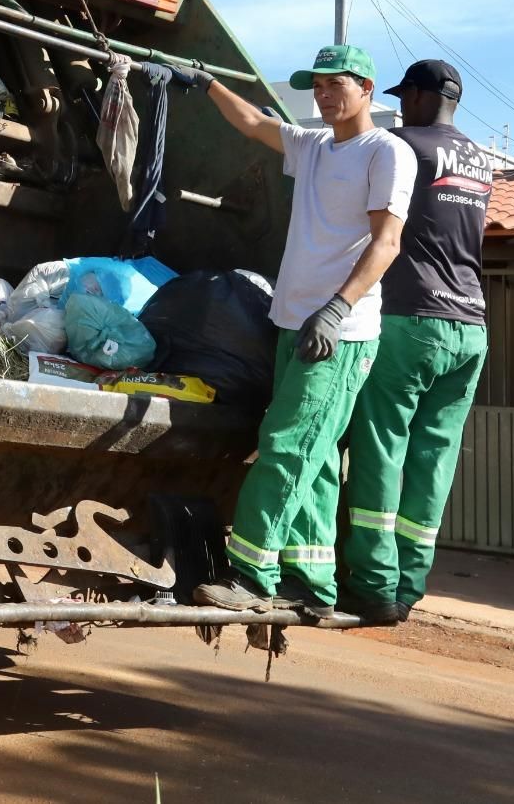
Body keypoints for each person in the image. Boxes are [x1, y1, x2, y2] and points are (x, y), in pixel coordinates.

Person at [173, 46, 416, 619]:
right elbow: (256, 122)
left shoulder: (387, 152)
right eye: (318, 87)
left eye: (337, 85)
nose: (325, 96)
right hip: (293, 323)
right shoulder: (312, 146)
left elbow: (387, 242)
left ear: (367, 89)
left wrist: (336, 309)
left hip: (339, 330)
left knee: (285, 447)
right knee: (317, 457)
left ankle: (252, 577)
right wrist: (205, 80)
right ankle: (312, 583)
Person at [339, 61, 491, 625]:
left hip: (410, 321)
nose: (402, 106)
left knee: (382, 447)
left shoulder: (403, 147)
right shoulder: (480, 161)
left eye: (407, 96)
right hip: (471, 325)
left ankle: (374, 585)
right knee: (434, 459)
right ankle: (408, 584)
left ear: (425, 97)